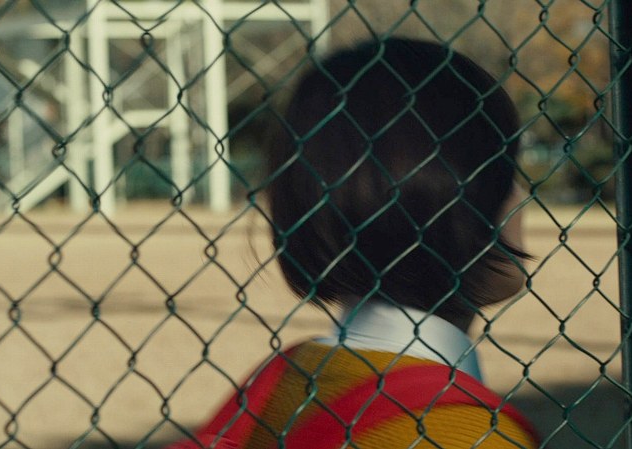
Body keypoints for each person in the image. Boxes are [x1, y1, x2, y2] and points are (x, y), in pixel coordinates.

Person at [169, 37, 538, 449]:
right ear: (452, 193)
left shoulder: (280, 387)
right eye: (507, 170)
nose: (521, 195)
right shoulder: (468, 434)